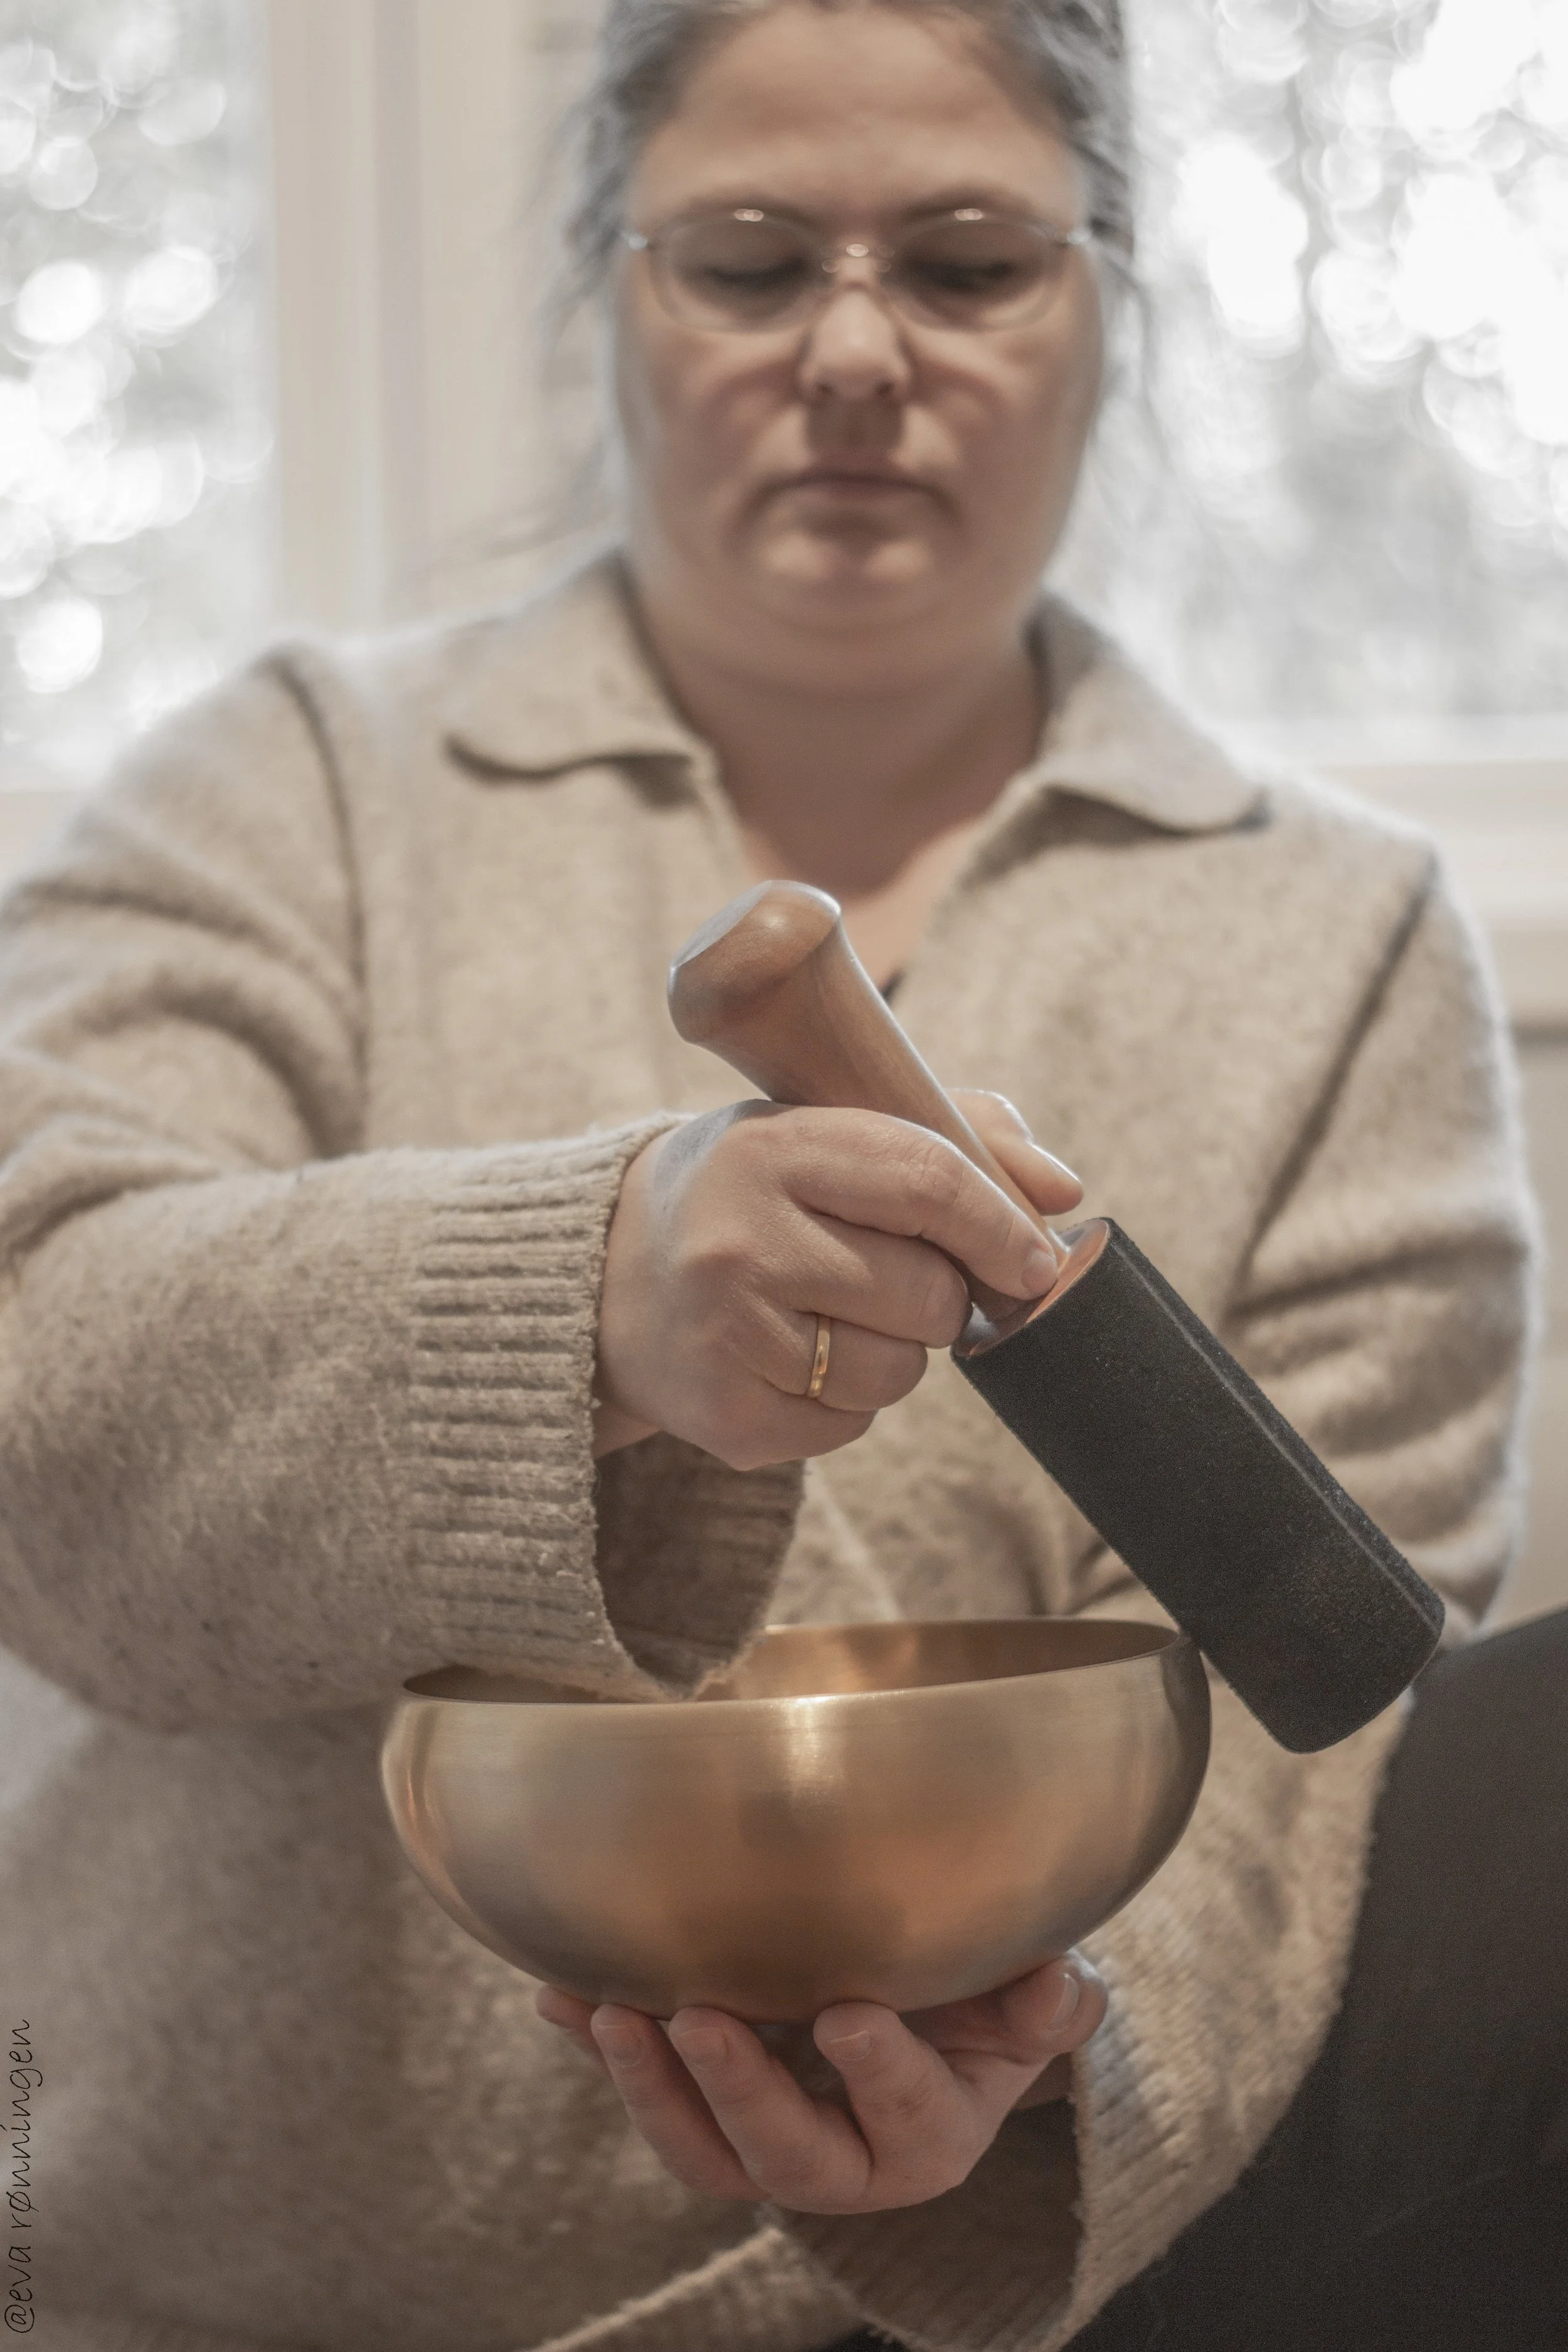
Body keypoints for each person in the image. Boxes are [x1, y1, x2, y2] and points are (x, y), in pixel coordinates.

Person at [0, 1, 1558, 2347]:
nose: (853, 351)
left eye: (964, 261)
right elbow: (38, 1414)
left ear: (1106, 303)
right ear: (605, 292)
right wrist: (581, 1294)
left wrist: (1027, 2093)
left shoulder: (1334, 941)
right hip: (175, 2300)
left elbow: (1302, 1766)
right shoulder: (283, 786)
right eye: (744, 261)